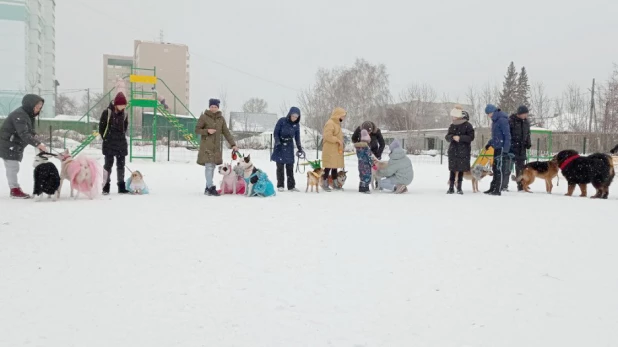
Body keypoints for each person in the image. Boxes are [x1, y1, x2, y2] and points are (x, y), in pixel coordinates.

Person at [0, 94, 47, 198]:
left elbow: (29, 131)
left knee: (13, 167)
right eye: (37, 107)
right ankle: (14, 190)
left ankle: (14, 188)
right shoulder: (20, 115)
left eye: (40, 108)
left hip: (14, 145)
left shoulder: (28, 115)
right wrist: (37, 144)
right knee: (13, 167)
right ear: (30, 105)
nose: (38, 110)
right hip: (9, 144)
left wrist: (36, 138)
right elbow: (24, 134)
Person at [195, 98, 237, 196]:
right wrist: (207, 131)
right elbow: (197, 130)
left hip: (216, 148)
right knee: (209, 167)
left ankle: (207, 188)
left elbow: (226, 132)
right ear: (209, 107)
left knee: (212, 167)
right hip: (206, 147)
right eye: (212, 106)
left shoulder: (221, 119)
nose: (213, 108)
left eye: (215, 107)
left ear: (218, 107)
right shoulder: (204, 117)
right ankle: (210, 187)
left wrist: (233, 144)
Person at [100, 92, 130, 195]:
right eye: (121, 105)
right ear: (116, 104)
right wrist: (106, 138)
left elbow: (124, 128)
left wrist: (120, 138)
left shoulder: (125, 114)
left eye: (124, 105)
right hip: (109, 143)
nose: (123, 107)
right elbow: (101, 128)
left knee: (121, 165)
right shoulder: (107, 113)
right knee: (108, 165)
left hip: (121, 143)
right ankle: (105, 186)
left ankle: (121, 186)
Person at [270, 106, 304, 192]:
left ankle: (291, 186)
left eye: (296, 117)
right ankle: (280, 185)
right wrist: (277, 141)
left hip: (289, 146)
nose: (294, 118)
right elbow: (276, 132)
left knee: (290, 167)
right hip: (280, 146)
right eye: (293, 116)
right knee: (280, 167)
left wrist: (299, 147)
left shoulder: (296, 125)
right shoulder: (282, 121)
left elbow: (297, 137)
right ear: (290, 114)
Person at [445, 105, 475, 195]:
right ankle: (451, 188)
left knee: (461, 170)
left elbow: (471, 137)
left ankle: (459, 188)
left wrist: (460, 138)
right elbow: (447, 136)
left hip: (463, 151)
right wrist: (452, 137)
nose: (453, 118)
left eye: (454, 116)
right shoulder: (452, 126)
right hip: (453, 151)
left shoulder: (468, 126)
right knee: (452, 170)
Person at [484, 104, 512, 196]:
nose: (489, 116)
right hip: (496, 146)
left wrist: (505, 150)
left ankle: (497, 189)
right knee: (495, 168)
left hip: (501, 147)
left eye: (489, 113)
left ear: (493, 112)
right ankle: (493, 187)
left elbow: (507, 136)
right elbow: (496, 136)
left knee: (498, 168)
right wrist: (490, 143)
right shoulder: (495, 121)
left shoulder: (502, 120)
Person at [502, 105, 531, 192]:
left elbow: (528, 134)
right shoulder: (511, 121)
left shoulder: (526, 122)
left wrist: (528, 142)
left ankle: (521, 186)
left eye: (527, 114)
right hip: (512, 148)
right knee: (507, 169)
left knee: (521, 170)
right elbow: (507, 134)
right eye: (525, 114)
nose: (526, 116)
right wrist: (508, 146)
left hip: (521, 149)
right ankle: (504, 186)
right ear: (520, 113)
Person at [321, 107, 347, 192]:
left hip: (335, 150)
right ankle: (324, 183)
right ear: (338, 115)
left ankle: (335, 184)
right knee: (328, 167)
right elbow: (327, 136)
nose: (343, 118)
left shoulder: (337, 124)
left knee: (335, 167)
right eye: (343, 116)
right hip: (330, 149)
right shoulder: (330, 123)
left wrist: (341, 143)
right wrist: (338, 140)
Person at [354, 129, 373, 193]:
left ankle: (361, 187)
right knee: (367, 176)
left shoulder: (359, 148)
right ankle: (366, 188)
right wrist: (372, 163)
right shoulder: (366, 148)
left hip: (361, 165)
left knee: (362, 176)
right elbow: (369, 156)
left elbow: (360, 156)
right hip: (366, 165)